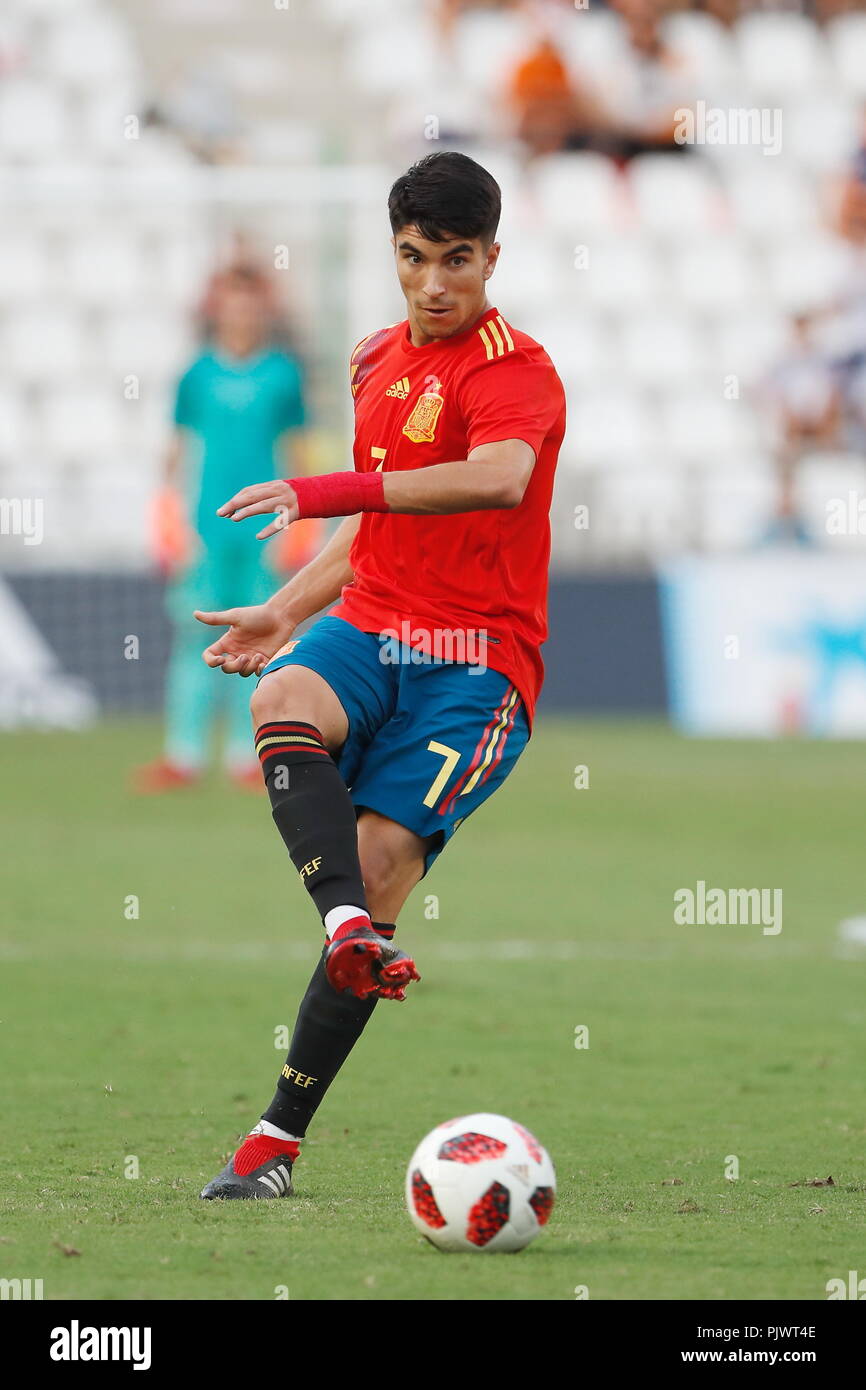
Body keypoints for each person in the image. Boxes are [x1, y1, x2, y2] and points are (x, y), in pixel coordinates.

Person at [194, 151, 566, 1199]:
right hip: (370, 624)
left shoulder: (517, 369)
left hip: (474, 663)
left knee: (380, 857)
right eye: (413, 258)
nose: (434, 282)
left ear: (491, 256)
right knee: (278, 697)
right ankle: (345, 926)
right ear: (393, 255)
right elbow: (374, 531)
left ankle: (274, 1139)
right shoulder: (372, 360)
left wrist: (323, 485)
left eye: (456, 259)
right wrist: (283, 607)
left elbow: (496, 478)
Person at [135, 259, 312, 793]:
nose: (241, 312)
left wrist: (300, 523)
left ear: (263, 308)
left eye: (250, 301)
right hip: (206, 527)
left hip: (263, 532)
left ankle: (247, 754)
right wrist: (166, 516)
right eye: (233, 301)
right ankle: (182, 755)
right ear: (218, 308)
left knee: (259, 641)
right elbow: (178, 448)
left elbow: (296, 450)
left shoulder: (283, 374)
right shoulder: (197, 374)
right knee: (195, 637)